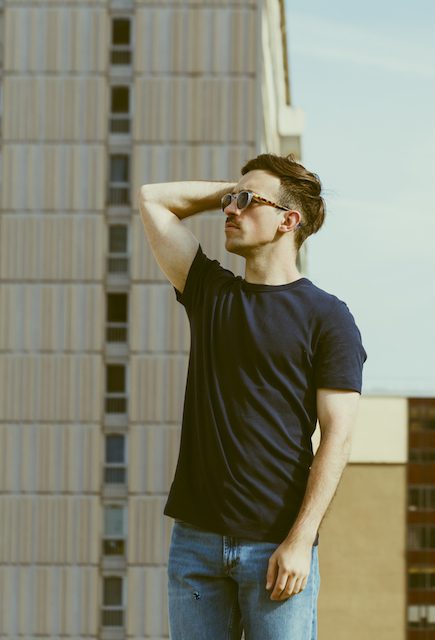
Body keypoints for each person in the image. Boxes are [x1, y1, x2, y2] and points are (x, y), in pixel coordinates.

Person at [138, 153, 367, 639]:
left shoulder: (328, 317)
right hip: (195, 547)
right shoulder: (209, 292)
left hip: (277, 546)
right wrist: (237, 188)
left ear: (289, 220)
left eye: (246, 202)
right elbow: (152, 199)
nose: (230, 210)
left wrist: (301, 541)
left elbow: (337, 438)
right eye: (230, 200)